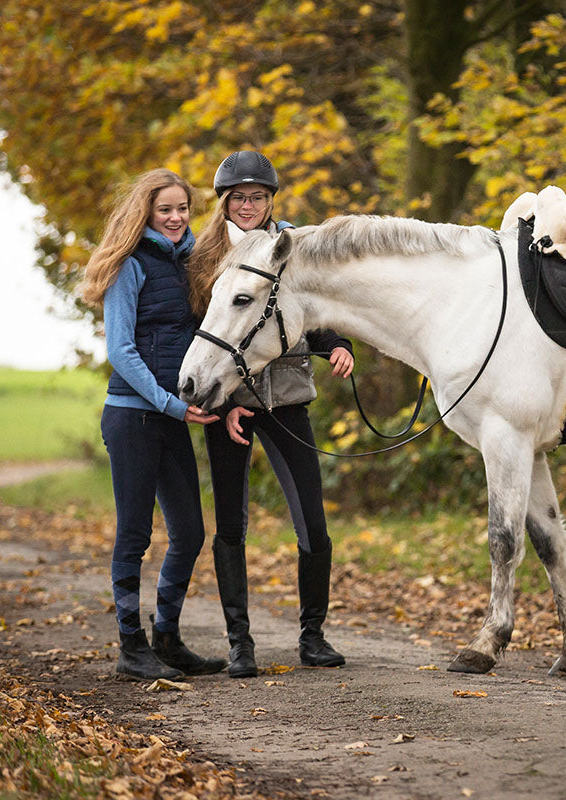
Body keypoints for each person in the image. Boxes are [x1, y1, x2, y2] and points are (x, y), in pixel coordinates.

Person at [188, 151, 354, 678]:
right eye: (239, 197)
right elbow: (209, 329)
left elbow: (309, 306)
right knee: (232, 523)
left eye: (257, 197)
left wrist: (336, 342)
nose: (248, 205)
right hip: (228, 408)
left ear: (270, 200)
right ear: (225, 203)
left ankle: (313, 636)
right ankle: (240, 643)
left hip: (285, 399)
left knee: (313, 523)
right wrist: (229, 402)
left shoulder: (292, 247)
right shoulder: (204, 256)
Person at [80, 168, 225, 681]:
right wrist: (171, 405)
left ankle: (166, 636)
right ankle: (130, 645)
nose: (176, 217)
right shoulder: (129, 266)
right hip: (133, 417)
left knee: (189, 531)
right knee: (135, 534)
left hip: (172, 416)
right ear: (146, 212)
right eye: (165, 209)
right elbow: (120, 350)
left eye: (182, 208)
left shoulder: (192, 263)